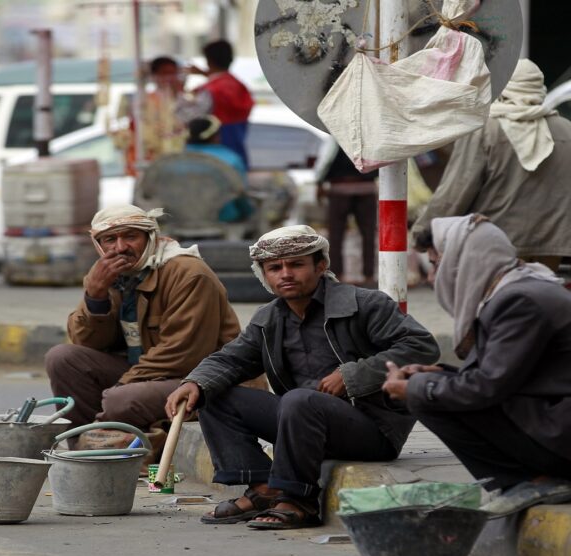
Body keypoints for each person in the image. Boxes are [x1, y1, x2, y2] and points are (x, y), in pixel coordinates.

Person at [165, 225, 440, 530]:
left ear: (320, 266)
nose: (286, 274)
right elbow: (231, 359)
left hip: (372, 429)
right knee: (213, 393)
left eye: (296, 264)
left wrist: (351, 375)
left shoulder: (365, 304)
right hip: (299, 422)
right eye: (275, 268)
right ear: (264, 276)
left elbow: (421, 346)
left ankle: (298, 500)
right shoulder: (268, 318)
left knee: (299, 399)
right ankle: (263, 490)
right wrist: (194, 382)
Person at [384, 215, 571, 517]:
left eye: (436, 264)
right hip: (552, 418)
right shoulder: (516, 290)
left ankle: (528, 480)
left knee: (424, 398)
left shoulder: (519, 301)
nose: (433, 278)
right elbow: (503, 376)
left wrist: (418, 387)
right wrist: (439, 375)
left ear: (465, 259)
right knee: (430, 388)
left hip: (561, 432)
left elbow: (487, 388)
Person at [45, 205, 241, 445]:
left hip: (201, 380)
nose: (120, 248)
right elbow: (88, 342)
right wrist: (95, 296)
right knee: (62, 358)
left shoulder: (188, 273)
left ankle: (101, 442)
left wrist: (120, 386)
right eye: (109, 240)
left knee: (121, 400)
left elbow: (182, 354)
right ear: (99, 245)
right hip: (146, 373)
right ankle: (85, 454)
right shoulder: (109, 273)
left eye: (130, 236)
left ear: (150, 238)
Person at [412, 59, 571, 272]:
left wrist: (425, 233)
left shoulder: (485, 130)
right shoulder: (566, 130)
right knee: (540, 302)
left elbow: (457, 190)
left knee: (497, 303)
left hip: (495, 244)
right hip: (550, 246)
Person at [114, 56, 190, 176]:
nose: (169, 78)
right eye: (164, 73)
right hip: (152, 161)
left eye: (173, 73)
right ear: (154, 76)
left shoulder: (187, 100)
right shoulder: (144, 101)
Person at [189, 40, 254, 170]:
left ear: (208, 61)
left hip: (213, 155)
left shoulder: (210, 90)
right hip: (237, 151)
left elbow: (192, 116)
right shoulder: (238, 85)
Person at [320, 147, 378, 285]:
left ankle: (336, 275)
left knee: (336, 235)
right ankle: (368, 276)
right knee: (368, 234)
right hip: (366, 187)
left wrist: (319, 182)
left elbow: (324, 163)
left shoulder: (335, 140)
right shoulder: (368, 139)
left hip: (339, 188)